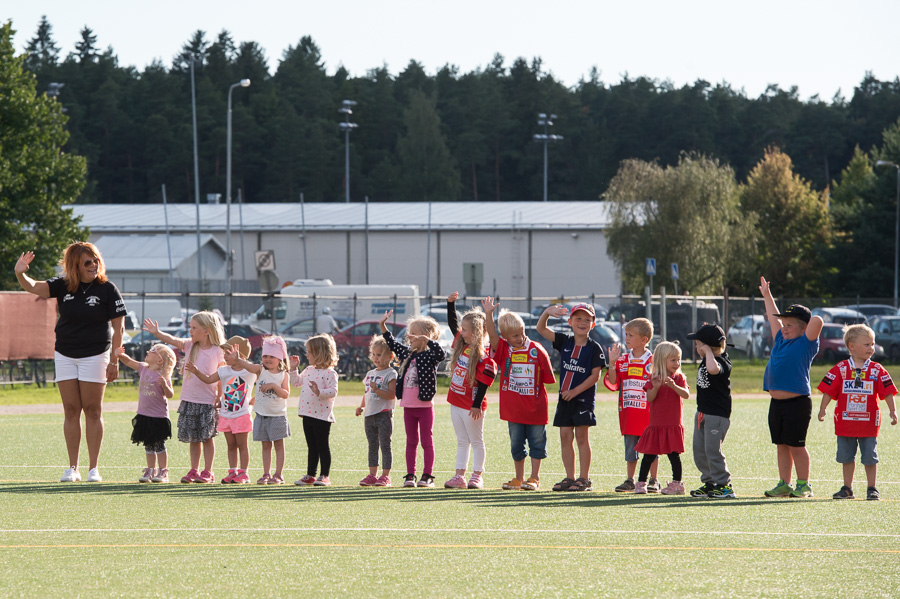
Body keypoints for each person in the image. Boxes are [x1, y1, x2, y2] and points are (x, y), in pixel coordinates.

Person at [14, 244, 127, 483]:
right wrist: (20, 273)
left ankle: (93, 469)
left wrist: (114, 360)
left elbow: (119, 328)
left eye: (95, 260)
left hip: (96, 354)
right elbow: (34, 287)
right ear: (75, 265)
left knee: (93, 410)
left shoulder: (108, 289)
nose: (93, 265)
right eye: (87, 262)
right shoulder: (63, 285)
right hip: (65, 354)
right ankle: (72, 468)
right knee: (71, 410)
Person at [482, 297, 555, 491]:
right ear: (506, 338)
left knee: (537, 443)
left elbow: (548, 379)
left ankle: (534, 477)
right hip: (513, 411)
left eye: (521, 333)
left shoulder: (538, 351)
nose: (520, 338)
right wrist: (488, 314)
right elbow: (492, 335)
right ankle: (518, 478)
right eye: (514, 336)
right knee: (516, 445)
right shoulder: (504, 349)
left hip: (536, 410)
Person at [759, 276, 824, 498]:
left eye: (790, 325)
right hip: (776, 403)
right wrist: (767, 296)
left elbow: (817, 321)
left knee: (797, 445)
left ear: (803, 328)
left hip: (798, 403)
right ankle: (784, 484)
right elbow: (772, 318)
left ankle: (804, 485)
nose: (784, 328)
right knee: (781, 445)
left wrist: (803, 321)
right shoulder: (780, 339)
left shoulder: (806, 343)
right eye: (783, 324)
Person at [817, 324, 897, 500]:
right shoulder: (841, 369)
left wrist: (893, 411)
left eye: (872, 344)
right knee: (847, 457)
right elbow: (829, 390)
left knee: (870, 457)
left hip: (868, 424)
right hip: (846, 423)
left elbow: (888, 392)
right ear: (851, 346)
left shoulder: (877, 370)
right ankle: (847, 488)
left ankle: (872, 488)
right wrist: (823, 409)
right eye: (866, 344)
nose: (871, 348)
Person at [144, 312, 226, 483]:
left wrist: (220, 395)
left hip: (207, 401)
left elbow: (221, 375)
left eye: (194, 328)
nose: (190, 331)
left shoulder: (218, 351)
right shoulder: (190, 345)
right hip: (189, 400)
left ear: (206, 330)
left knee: (207, 438)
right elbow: (172, 340)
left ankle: (208, 472)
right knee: (194, 439)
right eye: (190, 327)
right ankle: (194, 470)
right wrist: (157, 333)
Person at [536, 303, 605, 492]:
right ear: (570, 322)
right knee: (565, 437)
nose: (582, 323)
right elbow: (541, 329)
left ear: (593, 324)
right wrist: (547, 313)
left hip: (582, 400)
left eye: (587, 320)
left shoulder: (594, 348)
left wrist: (575, 392)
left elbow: (595, 376)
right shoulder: (565, 341)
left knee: (582, 438)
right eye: (578, 319)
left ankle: (584, 478)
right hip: (565, 400)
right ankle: (570, 477)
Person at [381, 310, 446, 488]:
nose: (409, 337)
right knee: (411, 441)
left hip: (425, 406)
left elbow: (441, 354)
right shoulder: (408, 354)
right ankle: (410, 475)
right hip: (408, 407)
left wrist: (428, 341)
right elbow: (393, 344)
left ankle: (427, 476)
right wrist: (383, 327)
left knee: (427, 441)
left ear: (424, 336)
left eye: (413, 334)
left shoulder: (431, 355)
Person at [186, 336, 258, 484]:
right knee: (231, 445)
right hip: (226, 415)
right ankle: (233, 472)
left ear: (240, 354)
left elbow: (262, 373)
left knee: (242, 445)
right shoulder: (223, 370)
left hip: (242, 415)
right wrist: (196, 371)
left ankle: (244, 473)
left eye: (228, 353)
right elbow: (208, 379)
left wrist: (240, 361)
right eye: (224, 352)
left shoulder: (249, 371)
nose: (224, 356)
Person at [443, 292, 496, 490]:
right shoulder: (463, 346)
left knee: (476, 440)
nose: (461, 332)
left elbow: (483, 383)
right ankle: (459, 476)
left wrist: (476, 405)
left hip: (471, 406)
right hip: (456, 402)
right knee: (462, 441)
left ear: (476, 333)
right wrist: (450, 304)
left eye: (465, 330)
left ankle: (477, 475)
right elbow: (452, 325)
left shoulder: (483, 356)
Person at [604, 318, 660, 492]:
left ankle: (653, 480)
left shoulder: (653, 361)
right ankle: (630, 480)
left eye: (631, 335)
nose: (626, 338)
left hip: (648, 415)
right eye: (626, 334)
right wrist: (612, 364)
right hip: (629, 414)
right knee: (630, 450)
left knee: (651, 448)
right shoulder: (623, 361)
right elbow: (613, 383)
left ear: (644, 340)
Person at [229, 336, 292, 485]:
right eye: (265, 356)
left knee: (278, 445)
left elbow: (285, 394)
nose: (268, 359)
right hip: (262, 415)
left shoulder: (284, 375)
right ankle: (266, 473)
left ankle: (278, 474)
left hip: (277, 416)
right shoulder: (260, 369)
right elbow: (247, 366)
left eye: (272, 356)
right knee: (265, 445)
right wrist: (237, 360)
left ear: (280, 358)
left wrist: (274, 386)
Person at [634, 342, 689, 494]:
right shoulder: (653, 378)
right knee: (649, 454)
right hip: (657, 423)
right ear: (661, 360)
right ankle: (641, 483)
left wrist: (673, 386)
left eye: (678, 360)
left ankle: (677, 484)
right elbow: (650, 398)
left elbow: (686, 394)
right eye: (673, 360)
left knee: (674, 455)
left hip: (672, 423)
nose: (677, 363)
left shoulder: (678, 378)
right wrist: (656, 387)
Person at [115, 344, 176, 483]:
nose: (149, 351)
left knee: (159, 445)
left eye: (153, 351)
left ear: (160, 361)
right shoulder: (143, 367)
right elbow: (129, 362)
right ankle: (150, 470)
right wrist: (120, 355)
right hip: (144, 415)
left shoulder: (163, 376)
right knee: (148, 445)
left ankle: (163, 471)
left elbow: (170, 394)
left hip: (158, 417)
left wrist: (165, 386)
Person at [687, 324, 736, 499]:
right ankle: (709, 483)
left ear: (707, 346)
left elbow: (714, 370)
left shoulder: (723, 361)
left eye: (698, 344)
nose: (696, 347)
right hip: (703, 413)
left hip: (717, 415)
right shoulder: (707, 359)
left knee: (712, 450)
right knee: (700, 451)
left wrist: (707, 352)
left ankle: (724, 485)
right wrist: (707, 352)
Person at [291, 334, 339, 486]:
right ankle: (310, 474)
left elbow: (333, 391)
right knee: (311, 447)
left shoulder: (330, 373)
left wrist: (319, 392)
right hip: (307, 414)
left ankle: (325, 475)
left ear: (319, 353)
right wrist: (293, 369)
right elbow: (296, 383)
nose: (307, 355)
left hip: (322, 416)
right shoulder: (309, 370)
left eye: (310, 352)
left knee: (322, 446)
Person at [356, 335, 398, 487]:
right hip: (369, 415)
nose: (375, 358)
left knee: (385, 445)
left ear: (390, 356)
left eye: (379, 354)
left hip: (384, 414)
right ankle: (372, 475)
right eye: (373, 354)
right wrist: (361, 406)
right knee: (372, 445)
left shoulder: (391, 374)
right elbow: (367, 393)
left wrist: (378, 390)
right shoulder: (370, 374)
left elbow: (392, 394)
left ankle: (385, 476)